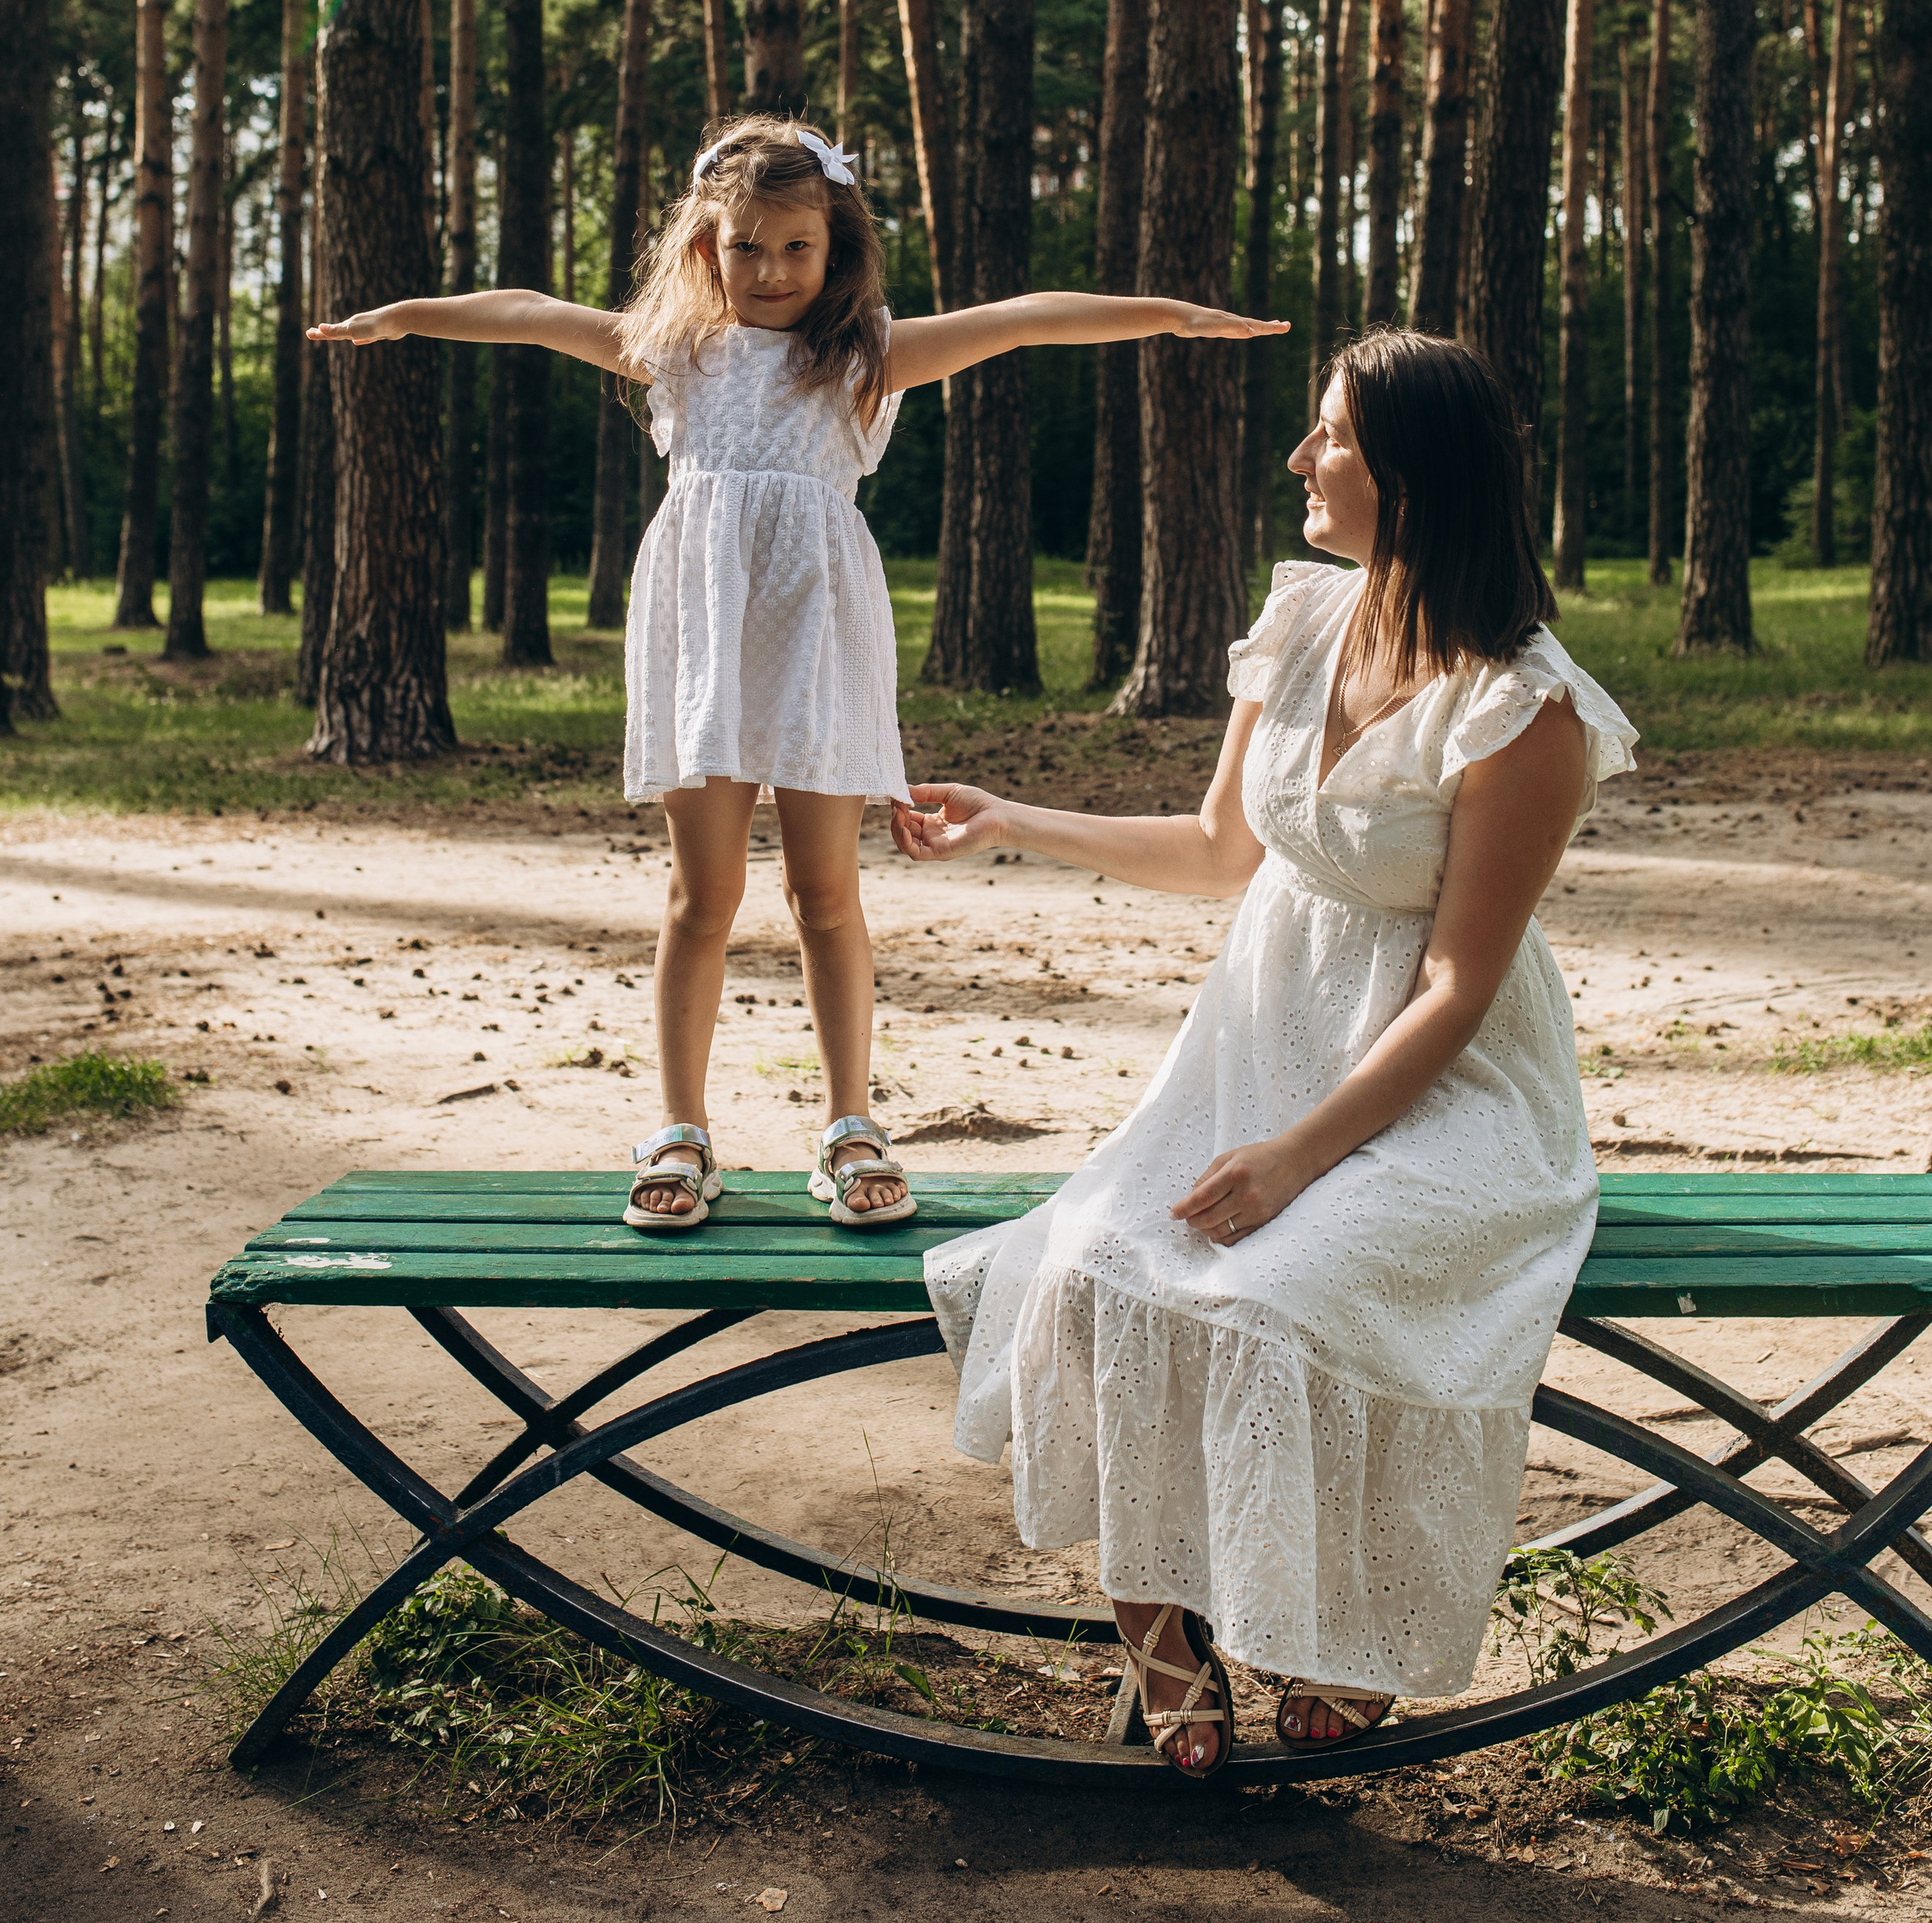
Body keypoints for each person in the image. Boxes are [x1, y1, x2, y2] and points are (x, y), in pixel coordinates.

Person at [309, 114, 1285, 1235]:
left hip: (822, 639)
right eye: (746, 249)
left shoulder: (868, 356)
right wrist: (403, 318)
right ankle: (680, 1130)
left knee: (827, 895)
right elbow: (530, 314)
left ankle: (849, 1125)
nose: (771, 272)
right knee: (702, 897)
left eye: (796, 249)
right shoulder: (673, 350)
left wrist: (1170, 315)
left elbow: (1024, 322)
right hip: (703, 639)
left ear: (836, 251)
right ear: (703, 251)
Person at [894, 326, 1637, 1775]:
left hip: (1441, 1089)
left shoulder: (1525, 708)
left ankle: (1333, 1634)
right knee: (1098, 1261)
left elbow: (1457, 985)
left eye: (1333, 441)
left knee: (1287, 1301)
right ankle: (1157, 1616)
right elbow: (1222, 848)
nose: (1301, 460)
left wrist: (1305, 1157)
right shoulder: (1304, 621)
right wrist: (1015, 819)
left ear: (1415, 476)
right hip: (1258, 1046)